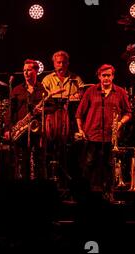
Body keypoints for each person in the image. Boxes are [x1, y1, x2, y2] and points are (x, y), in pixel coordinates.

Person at [75, 64, 131, 202]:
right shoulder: (91, 91)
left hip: (111, 137)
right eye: (103, 75)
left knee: (109, 166)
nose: (106, 78)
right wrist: (81, 130)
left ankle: (109, 194)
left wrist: (120, 123)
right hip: (92, 135)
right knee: (88, 164)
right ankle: (85, 195)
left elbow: (128, 113)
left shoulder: (120, 92)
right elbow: (79, 114)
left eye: (109, 75)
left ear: (113, 76)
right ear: (99, 76)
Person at [41, 50, 85, 183]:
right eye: (58, 62)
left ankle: (70, 178)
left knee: (71, 150)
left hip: (70, 120)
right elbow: (44, 98)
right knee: (52, 149)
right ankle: (52, 176)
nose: (61, 65)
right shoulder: (47, 79)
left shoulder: (75, 79)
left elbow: (82, 94)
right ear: (54, 64)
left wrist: (77, 96)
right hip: (52, 122)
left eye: (64, 62)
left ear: (68, 64)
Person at [5, 59, 48, 181]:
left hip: (36, 130)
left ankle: (40, 185)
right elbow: (10, 111)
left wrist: (43, 110)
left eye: (29, 70)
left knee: (40, 159)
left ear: (36, 71)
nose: (26, 73)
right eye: (24, 70)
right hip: (21, 130)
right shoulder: (17, 90)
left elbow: (51, 106)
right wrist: (8, 128)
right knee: (22, 160)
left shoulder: (42, 89)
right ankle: (23, 186)